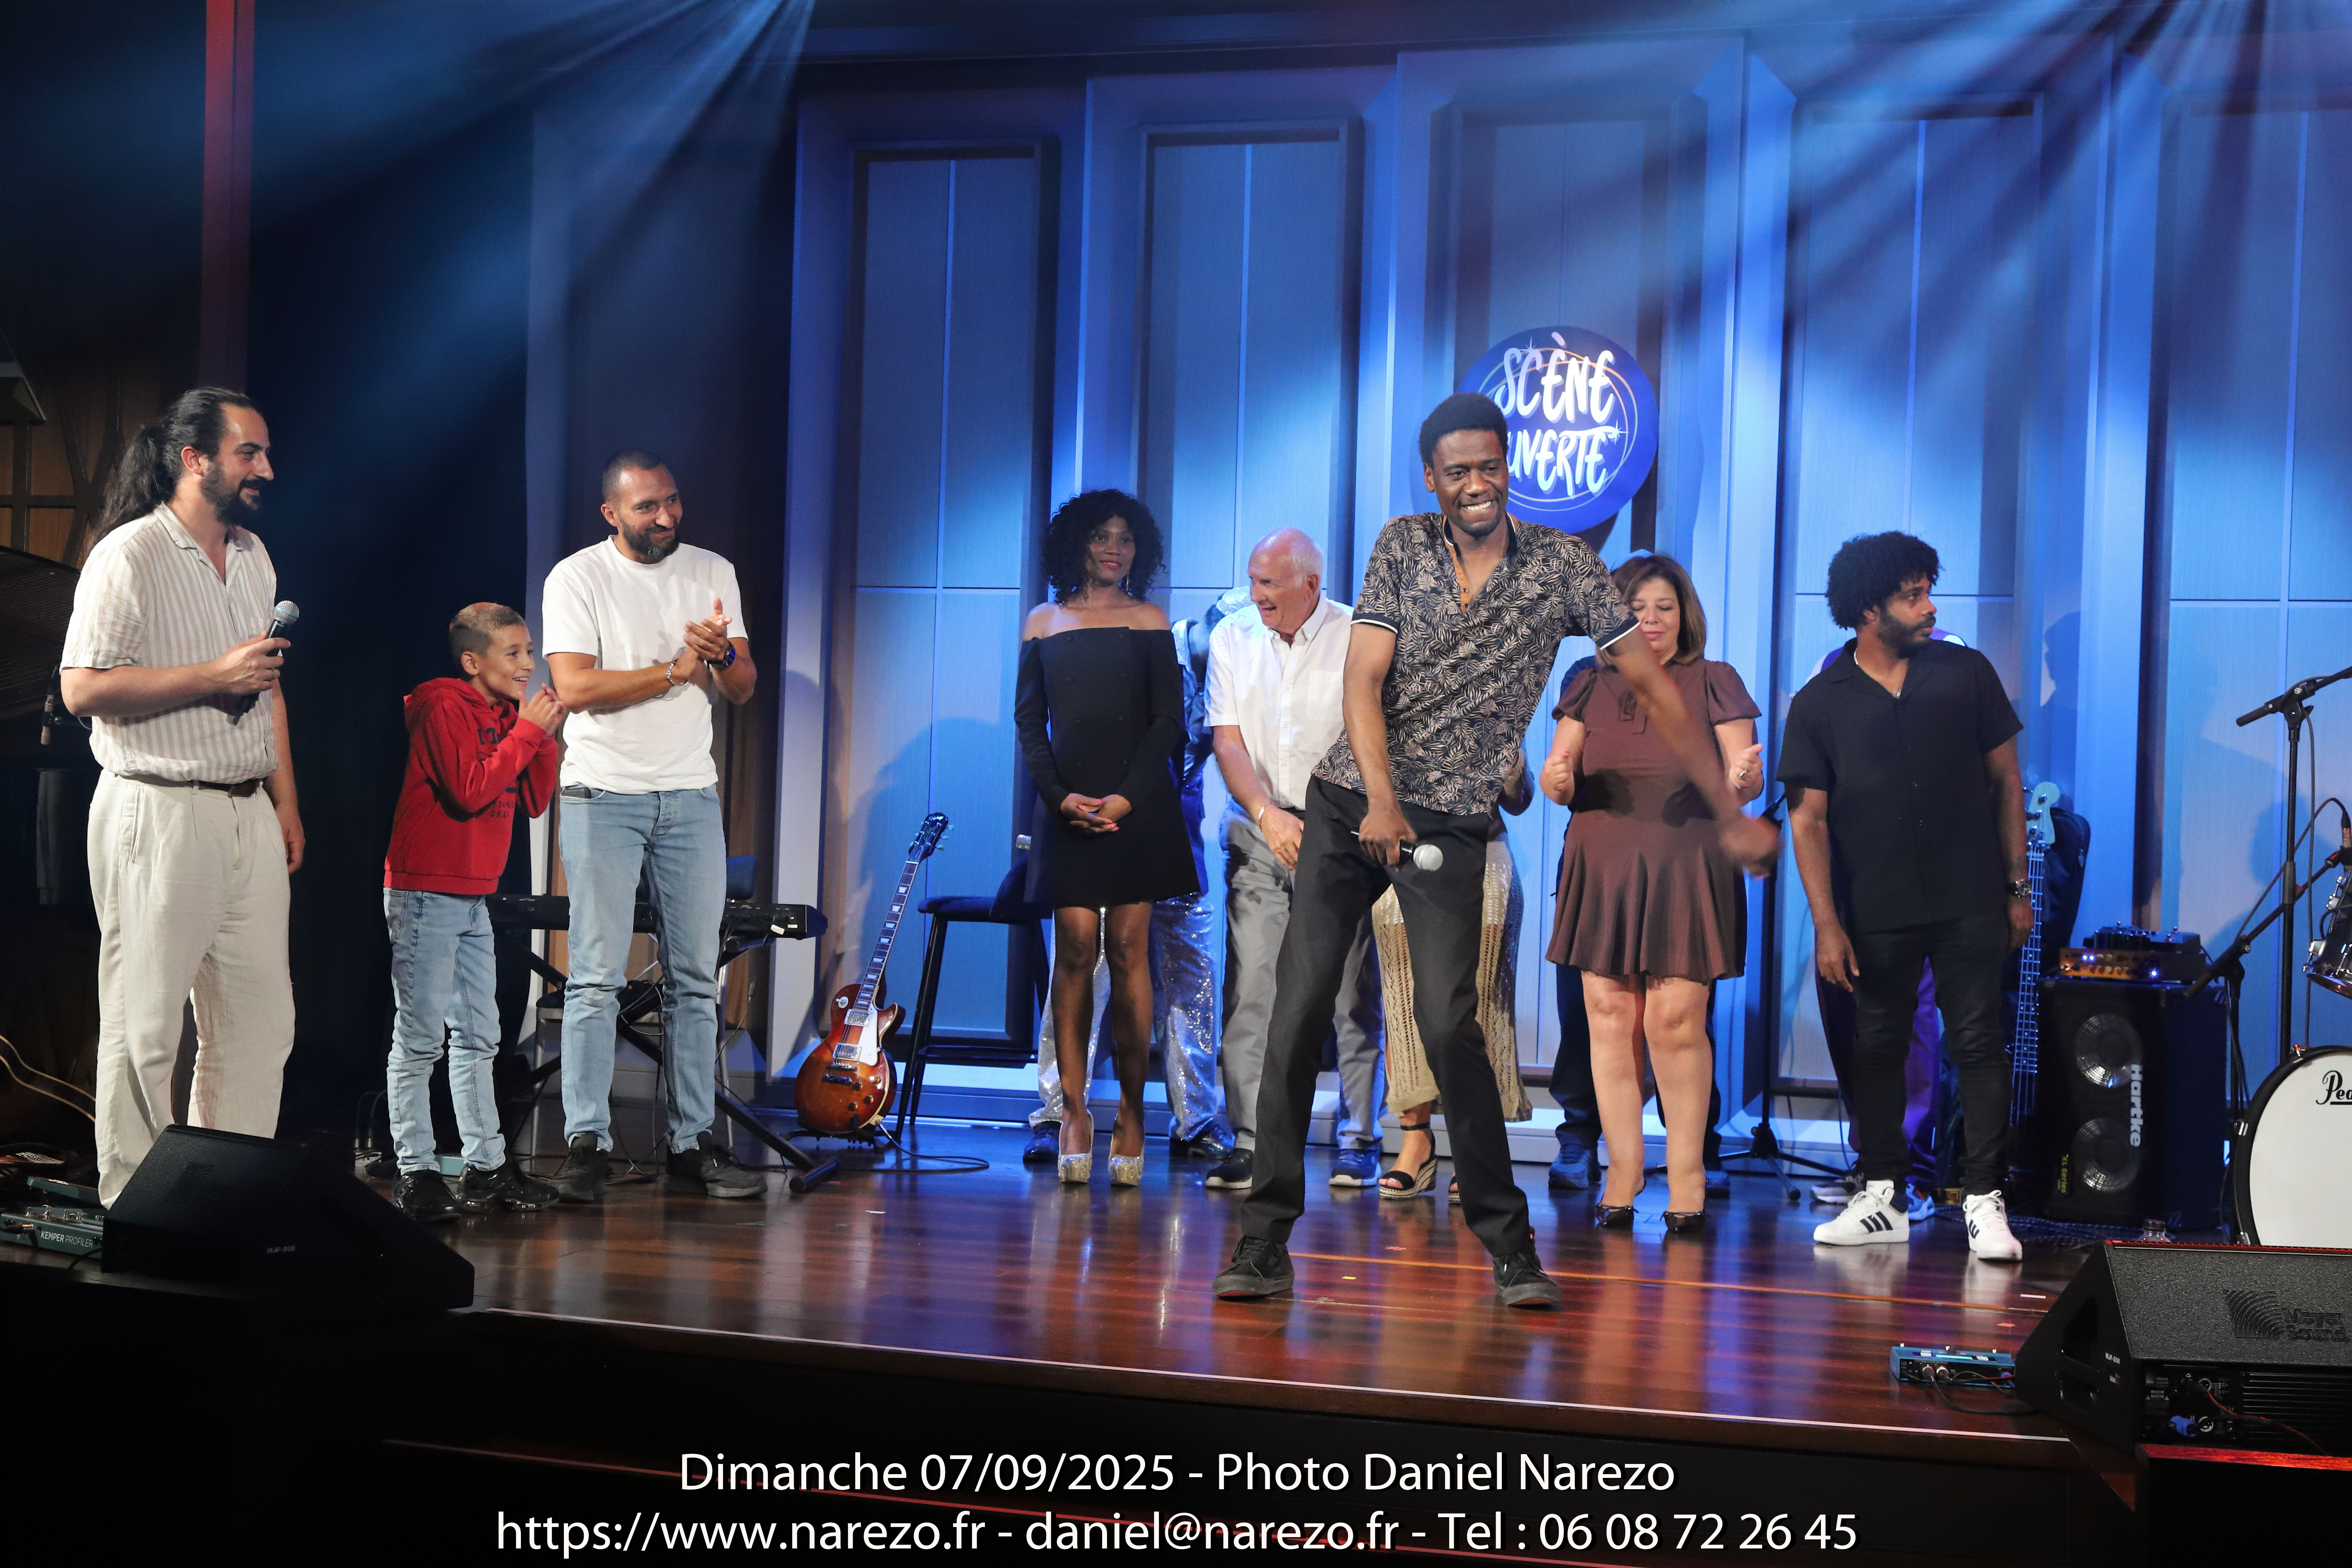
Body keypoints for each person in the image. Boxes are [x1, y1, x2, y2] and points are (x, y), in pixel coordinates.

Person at [1213, 394, 1776, 1309]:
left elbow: (1655, 689)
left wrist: (1727, 812)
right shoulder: (1401, 544)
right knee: (1298, 1007)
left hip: (1451, 823)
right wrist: (1380, 801)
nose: (1475, 483)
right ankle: (1263, 1239)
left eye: (1489, 466)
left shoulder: (1562, 566)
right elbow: (1362, 678)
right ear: (1431, 479)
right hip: (1351, 803)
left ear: (1508, 467)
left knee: (1451, 1028)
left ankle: (1510, 1246)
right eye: (1457, 471)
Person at [60, 388, 303, 1207]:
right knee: (147, 1025)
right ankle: (134, 1204)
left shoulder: (255, 555)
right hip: (158, 806)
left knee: (259, 1025)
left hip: (247, 810)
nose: (265, 469)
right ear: (195, 459)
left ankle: (222, 1200)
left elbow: (267, 685)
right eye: (248, 453)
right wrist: (210, 675)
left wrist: (285, 802)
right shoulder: (130, 554)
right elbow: (82, 688)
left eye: (265, 453)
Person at [1777, 532, 2027, 1262]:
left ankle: (1983, 1199)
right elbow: (1807, 821)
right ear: (1868, 610)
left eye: (1927, 591)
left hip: (1970, 896)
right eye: (1913, 596)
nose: (1930, 607)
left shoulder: (1966, 673)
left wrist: (2018, 887)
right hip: (1875, 906)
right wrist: (1827, 923)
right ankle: (1882, 1196)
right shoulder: (1820, 703)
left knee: (1978, 1044)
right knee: (1878, 1047)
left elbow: (2007, 781)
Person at [541, 450, 762, 1203]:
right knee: (596, 976)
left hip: (690, 795)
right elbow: (574, 688)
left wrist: (720, 654)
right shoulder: (577, 577)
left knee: (696, 979)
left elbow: (742, 686)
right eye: (647, 507)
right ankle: (586, 1144)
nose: (666, 517)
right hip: (603, 793)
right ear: (612, 513)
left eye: (672, 502)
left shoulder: (712, 571)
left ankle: (692, 1143)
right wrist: (673, 670)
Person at [1540, 554, 1762, 1233]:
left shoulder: (1715, 680)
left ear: (1684, 615)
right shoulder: (1588, 683)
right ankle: (1623, 1172)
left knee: (1675, 1021)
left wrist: (1745, 780)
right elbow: (1560, 771)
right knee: (1609, 1016)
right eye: (1636, 609)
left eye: (1664, 607)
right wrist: (1557, 781)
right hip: (1603, 862)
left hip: (1686, 865)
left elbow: (1744, 778)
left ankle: (1687, 1177)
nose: (1651, 620)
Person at [1015, 490, 1197, 1185]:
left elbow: (1167, 722)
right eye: (1101, 537)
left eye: (1125, 538)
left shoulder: (1149, 620)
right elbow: (1030, 724)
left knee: (1127, 950)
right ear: (1076, 545)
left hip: (1136, 806)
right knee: (1074, 950)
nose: (1114, 548)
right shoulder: (1043, 622)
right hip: (1066, 807)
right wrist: (1060, 799)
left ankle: (1131, 1111)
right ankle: (1072, 1111)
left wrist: (1126, 797)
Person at [1022, 591, 1234, 1168]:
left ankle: (1194, 1118)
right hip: (1100, 811)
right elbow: (1047, 723)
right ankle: (1059, 1113)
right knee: (1080, 963)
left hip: (1172, 823)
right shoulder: (1155, 639)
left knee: (1187, 971)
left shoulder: (1237, 658)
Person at [1207, 531, 1386, 1193]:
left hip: (1341, 835)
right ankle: (1252, 1142)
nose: (1256, 596)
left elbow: (1375, 736)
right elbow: (1227, 739)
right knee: (1252, 989)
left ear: (1310, 584)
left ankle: (1359, 1138)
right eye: (1253, 580)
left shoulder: (1356, 635)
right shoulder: (1233, 637)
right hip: (1262, 831)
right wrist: (1266, 814)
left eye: (1269, 584)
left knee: (1348, 994)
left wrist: (1333, 823)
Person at [379, 604, 566, 1222]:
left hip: (473, 896)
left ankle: (487, 1168)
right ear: (472, 661)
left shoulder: (509, 716)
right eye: (513, 653)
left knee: (481, 1036)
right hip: (425, 890)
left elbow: (533, 799)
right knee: (420, 1039)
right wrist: (526, 734)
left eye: (529, 651)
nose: (528, 664)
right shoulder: (441, 705)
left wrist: (544, 734)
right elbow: (469, 790)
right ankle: (417, 1170)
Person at [1373, 760, 1530, 1199]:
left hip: (1482, 849)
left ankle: (1475, 1151)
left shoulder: (1494, 712)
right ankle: (1416, 1141)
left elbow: (1519, 799)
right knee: (1404, 1002)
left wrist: (1510, 760)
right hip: (1405, 852)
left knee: (1481, 1007)